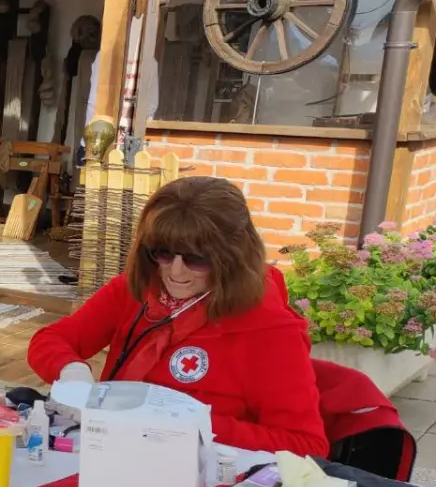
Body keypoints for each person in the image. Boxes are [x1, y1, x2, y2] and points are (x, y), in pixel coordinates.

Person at [29, 175, 328, 457]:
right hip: (114, 455)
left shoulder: (270, 330)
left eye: (197, 259)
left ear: (232, 257)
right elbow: (50, 340)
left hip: (202, 481)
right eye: (163, 253)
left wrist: (189, 424)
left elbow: (306, 446)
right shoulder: (138, 291)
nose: (175, 272)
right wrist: (72, 371)